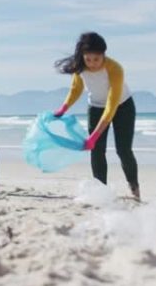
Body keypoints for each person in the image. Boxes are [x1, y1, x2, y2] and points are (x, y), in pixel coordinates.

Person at [54, 32, 140, 200]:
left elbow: (111, 104)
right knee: (96, 151)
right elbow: (76, 89)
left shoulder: (114, 68)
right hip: (95, 107)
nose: (92, 64)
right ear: (82, 57)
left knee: (123, 150)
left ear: (103, 55)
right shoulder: (80, 67)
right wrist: (63, 108)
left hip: (122, 106)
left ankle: (134, 187)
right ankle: (101, 192)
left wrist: (94, 135)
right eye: (88, 59)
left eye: (96, 59)